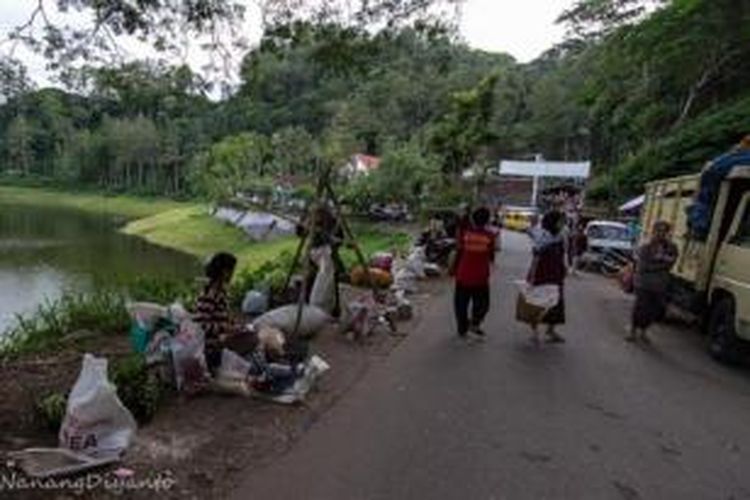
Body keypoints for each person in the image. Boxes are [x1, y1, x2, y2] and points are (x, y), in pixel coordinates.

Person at [194, 252, 252, 374]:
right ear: (224, 272)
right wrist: (226, 328)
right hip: (211, 346)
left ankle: (255, 370)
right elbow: (201, 325)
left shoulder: (221, 293)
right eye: (231, 271)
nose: (232, 275)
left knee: (251, 335)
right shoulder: (209, 294)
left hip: (221, 340)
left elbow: (222, 317)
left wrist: (236, 325)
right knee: (252, 340)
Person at [627, 220, 678, 343]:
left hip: (660, 285)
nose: (661, 234)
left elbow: (671, 263)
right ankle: (633, 331)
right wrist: (662, 262)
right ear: (653, 231)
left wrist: (659, 261)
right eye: (658, 231)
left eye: (664, 231)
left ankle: (644, 331)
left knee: (653, 311)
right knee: (640, 308)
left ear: (667, 233)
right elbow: (643, 266)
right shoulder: (646, 247)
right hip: (644, 283)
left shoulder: (671, 247)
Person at [453, 206, 496, 339]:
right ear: (487, 220)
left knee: (461, 303)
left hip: (463, 274)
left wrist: (453, 268)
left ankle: (462, 329)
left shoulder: (465, 234)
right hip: (480, 276)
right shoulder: (490, 236)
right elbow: (491, 256)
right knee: (483, 303)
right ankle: (475, 323)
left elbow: (459, 250)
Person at [527, 210, 568, 344]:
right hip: (541, 272)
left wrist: (564, 267)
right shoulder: (541, 235)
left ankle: (551, 330)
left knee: (556, 302)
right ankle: (534, 332)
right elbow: (536, 253)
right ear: (554, 222)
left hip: (556, 272)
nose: (562, 223)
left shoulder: (561, 235)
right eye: (560, 221)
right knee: (537, 301)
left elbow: (562, 254)